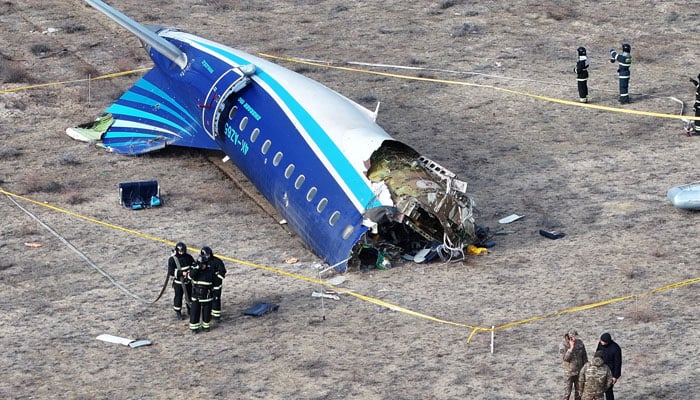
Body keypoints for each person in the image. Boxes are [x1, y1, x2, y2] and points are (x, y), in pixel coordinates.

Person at [167, 242, 195, 320]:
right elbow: (171, 271)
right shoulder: (172, 259)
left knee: (189, 296)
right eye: (180, 251)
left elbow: (193, 265)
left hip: (188, 282)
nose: (181, 253)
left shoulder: (189, 257)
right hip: (178, 283)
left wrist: (190, 271)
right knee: (178, 297)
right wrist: (181, 273)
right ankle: (178, 312)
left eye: (183, 251)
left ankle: (190, 309)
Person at [559, 328, 589, 400]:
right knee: (567, 393)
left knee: (579, 392)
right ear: (568, 337)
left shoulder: (580, 343)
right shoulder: (563, 345)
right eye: (573, 337)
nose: (575, 339)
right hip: (569, 373)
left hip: (579, 371)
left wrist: (586, 368)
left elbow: (584, 356)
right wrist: (571, 348)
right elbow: (565, 359)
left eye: (575, 337)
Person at [188, 255, 215, 334]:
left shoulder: (210, 271)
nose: (202, 266)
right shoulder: (195, 271)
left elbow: (214, 281)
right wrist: (196, 268)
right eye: (201, 264)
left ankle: (206, 326)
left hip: (206, 295)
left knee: (206, 312)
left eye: (203, 264)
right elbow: (190, 276)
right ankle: (194, 328)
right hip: (196, 296)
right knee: (194, 312)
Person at [201, 246, 227, 321]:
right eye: (205, 255)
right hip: (207, 286)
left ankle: (216, 316)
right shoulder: (201, 262)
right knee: (207, 300)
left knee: (216, 299)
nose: (207, 256)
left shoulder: (217, 261)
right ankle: (208, 314)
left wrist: (216, 280)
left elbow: (222, 272)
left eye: (208, 254)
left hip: (216, 285)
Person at [596, 332, 622, 400]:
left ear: (607, 342)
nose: (600, 342)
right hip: (600, 370)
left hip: (610, 372)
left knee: (608, 390)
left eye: (602, 341)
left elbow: (618, 363)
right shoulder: (600, 344)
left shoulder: (616, 349)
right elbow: (597, 355)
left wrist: (615, 376)